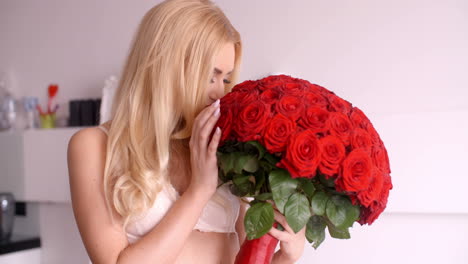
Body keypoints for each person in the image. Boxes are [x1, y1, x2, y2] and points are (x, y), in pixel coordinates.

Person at [67, 0, 306, 263]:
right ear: (165, 68)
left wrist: (284, 258)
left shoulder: (223, 148)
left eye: (225, 79)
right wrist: (199, 190)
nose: (219, 92)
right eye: (208, 76)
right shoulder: (94, 146)